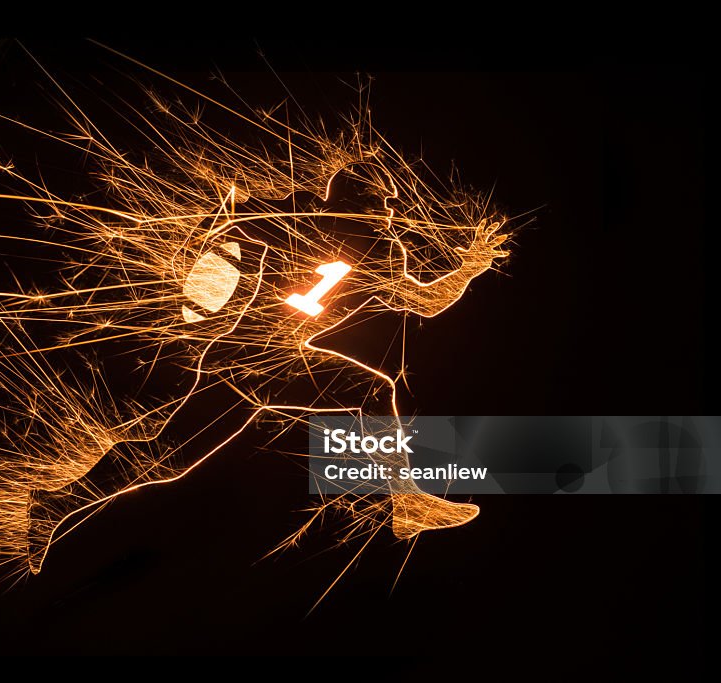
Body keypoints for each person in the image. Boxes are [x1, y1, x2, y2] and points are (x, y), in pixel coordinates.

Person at [28, 160, 508, 573]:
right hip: (248, 350)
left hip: (255, 353)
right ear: (351, 198)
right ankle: (403, 503)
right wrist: (218, 250)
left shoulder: (363, 239)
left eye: (389, 206)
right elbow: (225, 247)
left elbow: (421, 301)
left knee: (172, 452)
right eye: (380, 203)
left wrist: (467, 268)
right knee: (366, 391)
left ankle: (59, 501)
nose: (389, 214)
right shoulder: (311, 222)